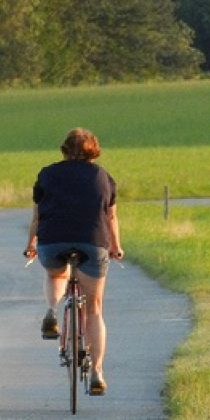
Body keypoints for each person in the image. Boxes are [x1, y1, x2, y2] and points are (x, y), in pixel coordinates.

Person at [24, 128, 123, 396]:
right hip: (93, 242)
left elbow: (37, 218)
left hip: (53, 240)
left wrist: (31, 244)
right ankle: (97, 373)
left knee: (56, 275)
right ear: (94, 150)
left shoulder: (47, 174)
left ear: (65, 149)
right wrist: (115, 247)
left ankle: (52, 312)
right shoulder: (103, 177)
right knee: (94, 308)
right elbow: (111, 218)